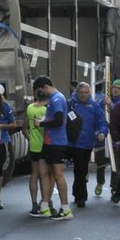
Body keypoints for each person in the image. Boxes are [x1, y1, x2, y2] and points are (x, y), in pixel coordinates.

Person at [32, 75, 72, 220]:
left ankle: (65, 209)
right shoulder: (55, 99)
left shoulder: (57, 99)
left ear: (45, 87)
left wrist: (41, 123)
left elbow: (59, 121)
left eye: (40, 91)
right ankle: (44, 206)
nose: (41, 95)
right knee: (44, 173)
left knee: (57, 175)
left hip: (57, 143)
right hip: (49, 142)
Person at [68, 81, 109, 207]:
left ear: (90, 93)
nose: (83, 95)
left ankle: (76, 192)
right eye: (81, 92)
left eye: (86, 92)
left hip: (87, 143)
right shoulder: (70, 104)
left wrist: (102, 132)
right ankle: (81, 198)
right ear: (76, 92)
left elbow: (102, 121)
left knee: (81, 169)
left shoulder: (94, 105)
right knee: (80, 169)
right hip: (73, 143)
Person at [25, 91, 49, 215]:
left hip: (33, 146)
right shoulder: (46, 110)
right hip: (45, 145)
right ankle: (46, 202)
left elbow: (24, 129)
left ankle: (34, 204)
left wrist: (31, 139)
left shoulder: (29, 108)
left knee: (34, 174)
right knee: (45, 175)